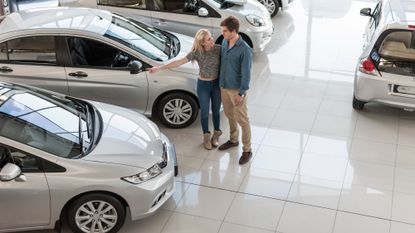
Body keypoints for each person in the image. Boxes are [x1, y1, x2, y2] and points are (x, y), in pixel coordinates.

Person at [148, 29, 222, 150]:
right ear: (202, 42)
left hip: (216, 85)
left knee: (216, 110)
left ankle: (217, 134)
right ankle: (206, 136)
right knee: (204, 111)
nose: (212, 40)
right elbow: (178, 62)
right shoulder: (197, 52)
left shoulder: (218, 49)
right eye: (209, 39)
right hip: (203, 85)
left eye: (211, 37)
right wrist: (159, 68)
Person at [217, 16, 253, 165]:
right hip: (224, 87)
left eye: (225, 31)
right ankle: (233, 140)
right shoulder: (225, 42)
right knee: (229, 115)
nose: (223, 33)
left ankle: (247, 150)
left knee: (243, 121)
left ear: (233, 31)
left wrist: (241, 93)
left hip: (237, 90)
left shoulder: (245, 49)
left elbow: (246, 73)